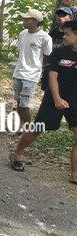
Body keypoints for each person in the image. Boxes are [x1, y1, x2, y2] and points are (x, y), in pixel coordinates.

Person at [11, 19, 77, 183]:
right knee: (37, 129)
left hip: (75, 100)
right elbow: (52, 76)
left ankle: (75, 174)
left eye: (67, 34)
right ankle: (17, 154)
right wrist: (57, 98)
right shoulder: (59, 53)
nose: (64, 36)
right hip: (54, 98)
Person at [12, 9, 52, 129]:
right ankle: (20, 126)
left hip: (31, 75)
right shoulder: (23, 34)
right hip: (18, 72)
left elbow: (47, 55)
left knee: (25, 105)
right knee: (19, 102)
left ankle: (28, 127)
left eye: (27, 19)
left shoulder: (45, 37)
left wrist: (39, 70)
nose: (24, 21)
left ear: (35, 21)